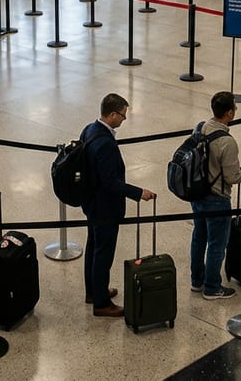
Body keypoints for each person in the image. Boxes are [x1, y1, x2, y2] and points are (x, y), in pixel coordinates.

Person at [81, 94, 156, 317]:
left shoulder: (89, 129)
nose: (124, 120)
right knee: (103, 253)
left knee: (93, 247)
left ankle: (93, 292)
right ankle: (102, 303)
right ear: (112, 114)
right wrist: (138, 192)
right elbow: (110, 183)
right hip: (105, 207)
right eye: (123, 115)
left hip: (91, 203)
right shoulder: (104, 143)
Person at [189, 92, 241, 300]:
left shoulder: (200, 128)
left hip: (197, 193)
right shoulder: (227, 141)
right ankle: (212, 287)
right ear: (229, 112)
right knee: (217, 243)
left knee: (199, 237)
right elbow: (232, 176)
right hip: (217, 198)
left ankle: (197, 280)